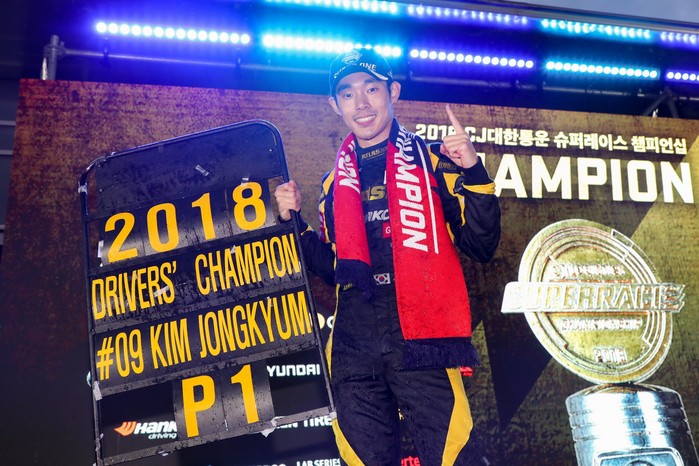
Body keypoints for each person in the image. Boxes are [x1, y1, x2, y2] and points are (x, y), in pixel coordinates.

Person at [275, 47, 500, 466]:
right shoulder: (333, 184)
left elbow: (480, 244)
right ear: (335, 105)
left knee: (454, 457)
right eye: (347, 94)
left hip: (420, 333)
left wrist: (473, 171)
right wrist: (293, 222)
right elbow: (335, 269)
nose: (360, 103)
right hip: (353, 339)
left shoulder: (432, 161)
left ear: (393, 92)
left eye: (371, 89)